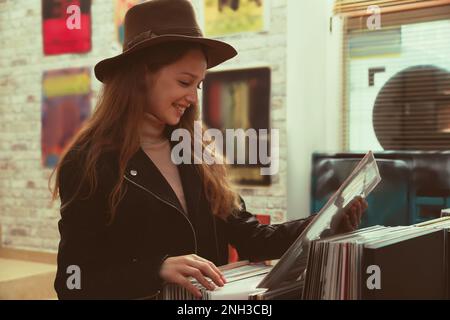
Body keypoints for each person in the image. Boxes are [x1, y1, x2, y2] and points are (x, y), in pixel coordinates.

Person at [50, 0, 367, 300]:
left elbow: (251, 238)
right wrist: (155, 269)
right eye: (184, 82)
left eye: (198, 85)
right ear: (141, 76)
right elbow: (73, 282)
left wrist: (325, 223)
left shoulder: (195, 150)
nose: (193, 97)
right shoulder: (88, 162)